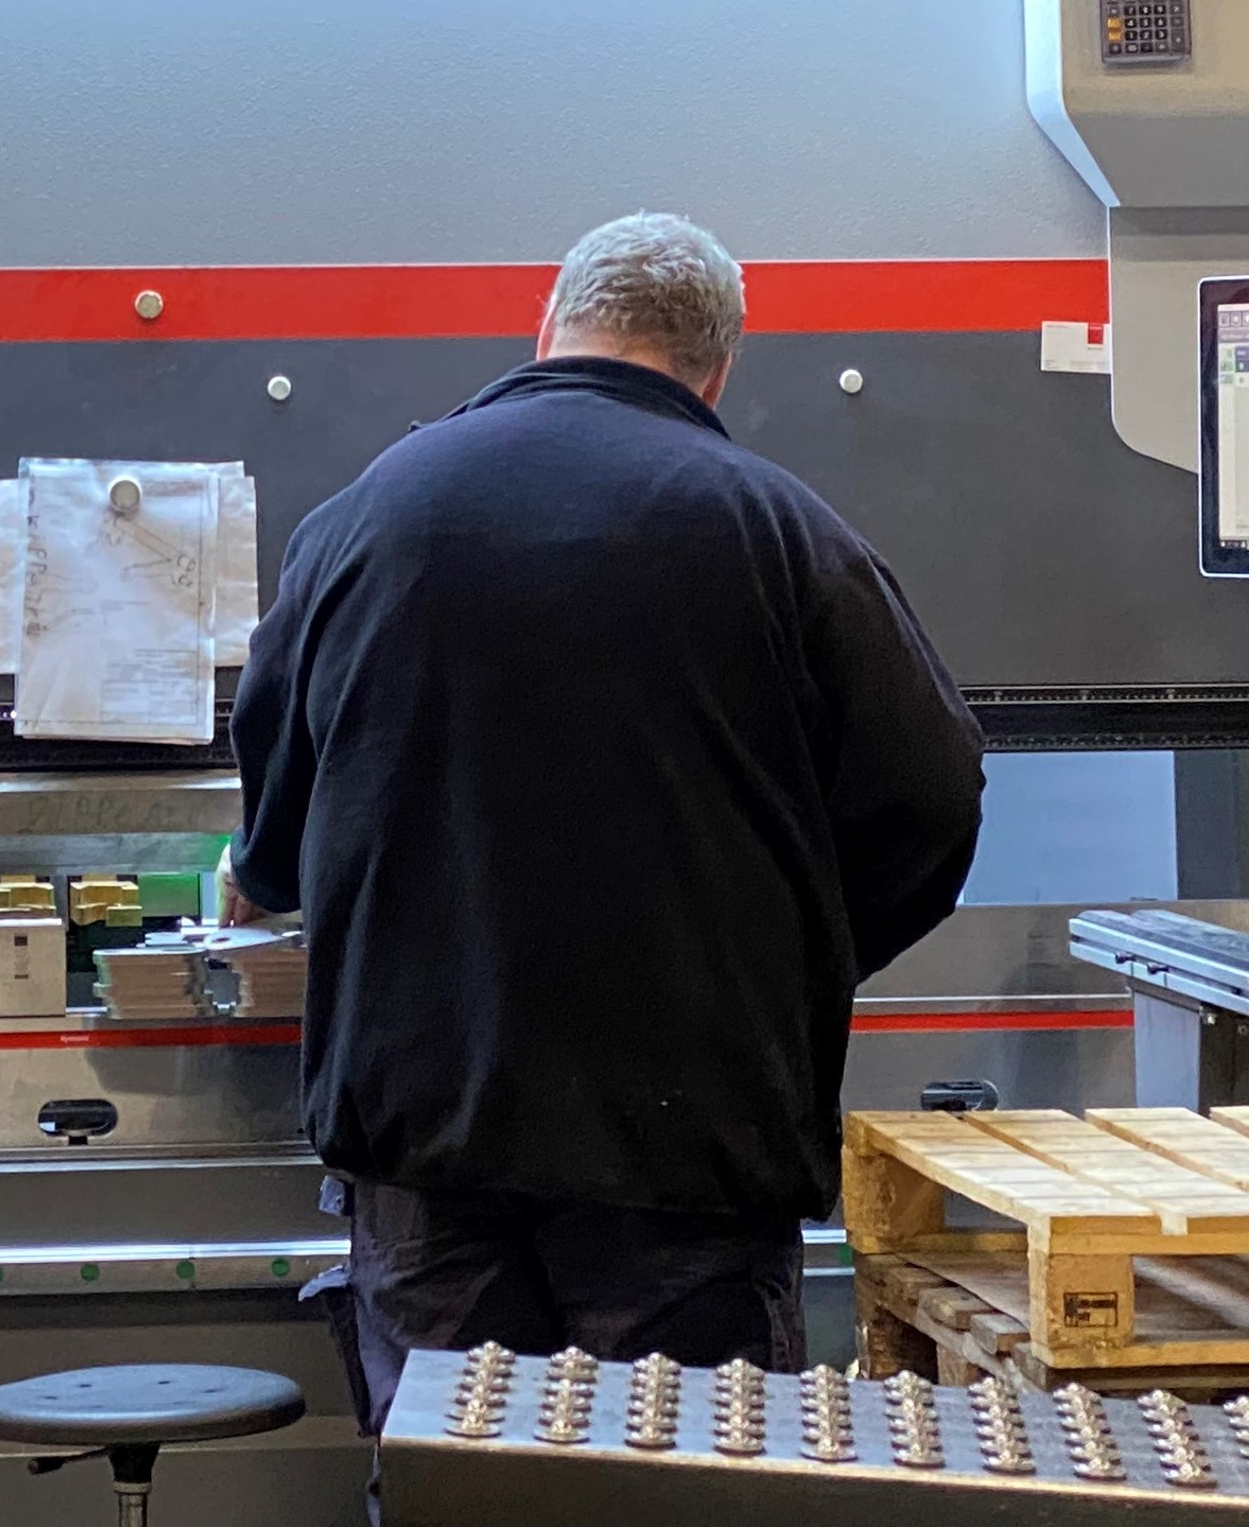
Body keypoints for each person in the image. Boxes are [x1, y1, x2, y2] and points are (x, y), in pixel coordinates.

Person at [224, 210, 984, 1423]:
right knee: (677, 1481)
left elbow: (273, 833)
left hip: (424, 1138)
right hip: (688, 1152)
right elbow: (933, 795)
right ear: (718, 367)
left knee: (455, 1484)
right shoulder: (780, 530)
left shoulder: (363, 517)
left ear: (549, 326)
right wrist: (789, 961)